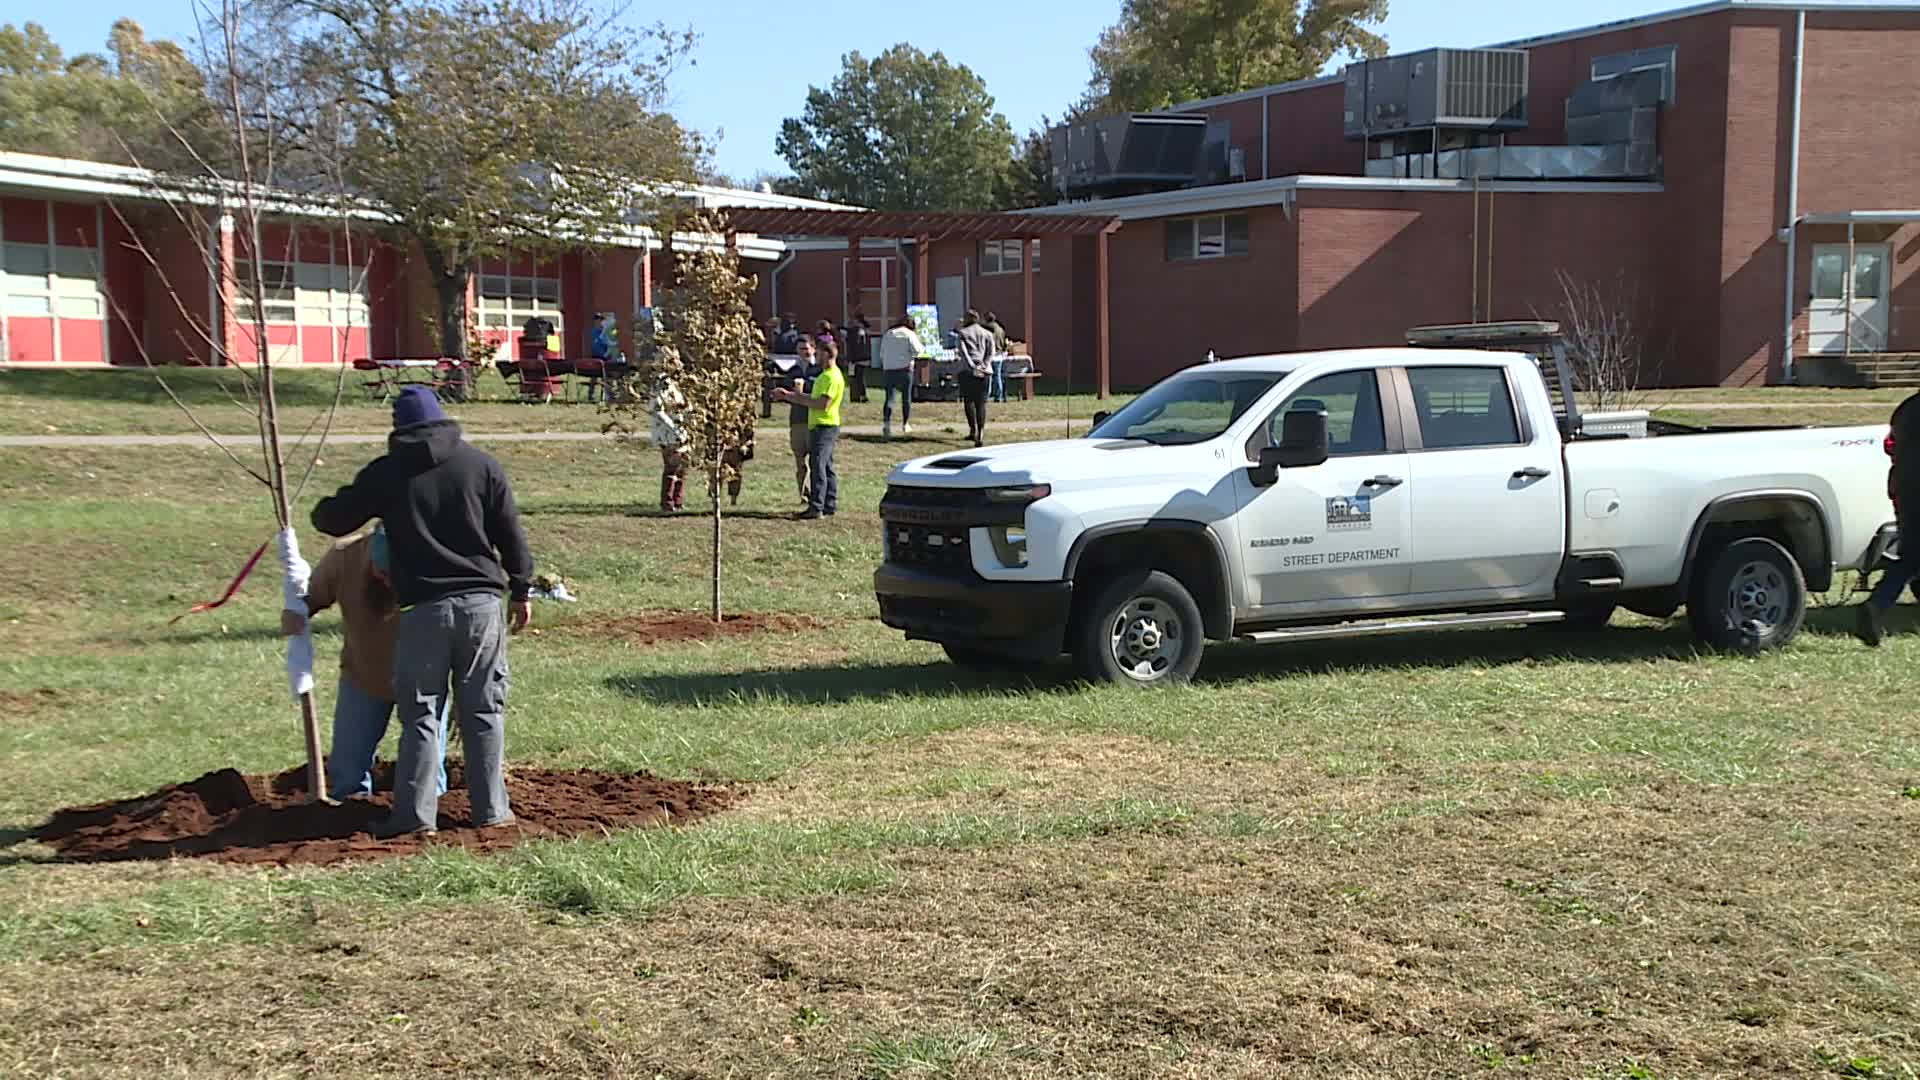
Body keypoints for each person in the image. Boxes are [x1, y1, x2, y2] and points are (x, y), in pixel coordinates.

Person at [311, 386, 534, 838]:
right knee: (484, 710)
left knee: (422, 714)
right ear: (442, 420)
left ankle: (414, 819)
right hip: (482, 607)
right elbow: (509, 531)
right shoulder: (480, 465)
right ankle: (492, 813)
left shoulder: (388, 473)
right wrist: (522, 587)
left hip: (423, 609)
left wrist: (321, 509)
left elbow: (334, 520)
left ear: (398, 428)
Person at [284, 524, 451, 803]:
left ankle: (425, 818)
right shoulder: (344, 556)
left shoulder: (437, 558)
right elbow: (309, 598)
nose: (387, 580)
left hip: (424, 680)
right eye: (381, 573)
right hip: (362, 676)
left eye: (394, 576)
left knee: (427, 773)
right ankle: (351, 817)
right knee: (347, 770)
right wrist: (295, 612)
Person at [1858, 390, 1920, 645]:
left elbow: (1890, 446)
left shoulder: (1907, 408)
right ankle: (1876, 604)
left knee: (1912, 554)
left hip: (1905, 487)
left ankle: (1877, 604)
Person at [773, 336, 846, 520]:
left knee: (818, 465)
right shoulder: (824, 376)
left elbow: (822, 404)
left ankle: (816, 507)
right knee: (827, 466)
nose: (816, 356)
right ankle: (829, 504)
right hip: (819, 425)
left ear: (827, 355)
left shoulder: (831, 377)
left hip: (825, 425)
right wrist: (790, 396)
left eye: (820, 353)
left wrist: (791, 396)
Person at [785, 337, 822, 503]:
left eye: (806, 349)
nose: (804, 352)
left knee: (816, 462)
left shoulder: (820, 370)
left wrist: (804, 387)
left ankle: (817, 495)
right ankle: (801, 494)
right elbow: (786, 391)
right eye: (800, 349)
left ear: (813, 349)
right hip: (797, 420)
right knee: (800, 462)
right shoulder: (793, 370)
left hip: (814, 420)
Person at [953, 308, 996, 447]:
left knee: (969, 401)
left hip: (968, 371)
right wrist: (984, 364)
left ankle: (973, 430)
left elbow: (963, 352)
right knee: (981, 403)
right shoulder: (987, 333)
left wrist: (972, 366)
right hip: (985, 371)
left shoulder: (963, 334)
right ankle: (981, 431)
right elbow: (991, 352)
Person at [877, 314, 922, 440]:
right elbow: (918, 350)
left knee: (889, 398)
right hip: (905, 369)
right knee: (906, 397)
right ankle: (905, 423)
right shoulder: (909, 334)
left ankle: (886, 424)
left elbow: (881, 353)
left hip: (889, 369)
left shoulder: (888, 333)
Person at [650, 373, 689, 512]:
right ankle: (667, 502)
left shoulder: (676, 390)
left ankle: (678, 501)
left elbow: (684, 407)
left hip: (682, 433)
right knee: (672, 466)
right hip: (667, 435)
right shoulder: (657, 394)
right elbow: (659, 413)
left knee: (682, 468)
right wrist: (674, 429)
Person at [843, 310, 872, 403]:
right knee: (860, 377)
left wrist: (850, 359)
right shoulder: (865, 331)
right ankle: (862, 395)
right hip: (865, 357)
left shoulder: (854, 331)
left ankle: (857, 396)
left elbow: (852, 345)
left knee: (855, 378)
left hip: (855, 359)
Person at [984, 312, 1009, 403]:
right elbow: (1004, 343)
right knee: (997, 376)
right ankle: (998, 396)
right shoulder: (1000, 329)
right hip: (999, 355)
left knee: (988, 376)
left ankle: (986, 395)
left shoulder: (987, 328)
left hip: (990, 354)